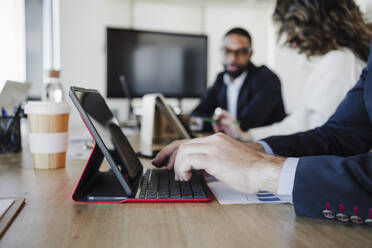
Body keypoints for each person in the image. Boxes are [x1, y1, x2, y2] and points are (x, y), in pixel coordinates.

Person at [152, 1, 372, 223]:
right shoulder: (221, 79)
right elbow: (338, 136)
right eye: (228, 51)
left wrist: (261, 168)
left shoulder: (330, 64)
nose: (290, 41)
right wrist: (249, 148)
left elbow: (331, 141)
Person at [213, 0, 370, 142]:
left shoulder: (337, 64)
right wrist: (247, 136)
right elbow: (299, 123)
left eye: (290, 29)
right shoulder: (338, 59)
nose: (290, 40)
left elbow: (321, 139)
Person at [191, 27, 286, 132]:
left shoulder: (267, 80)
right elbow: (195, 116)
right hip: (234, 144)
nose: (233, 58)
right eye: (227, 51)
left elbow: (245, 124)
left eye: (241, 52)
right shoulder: (221, 79)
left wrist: (211, 123)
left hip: (262, 145)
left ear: (250, 54)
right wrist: (215, 122)